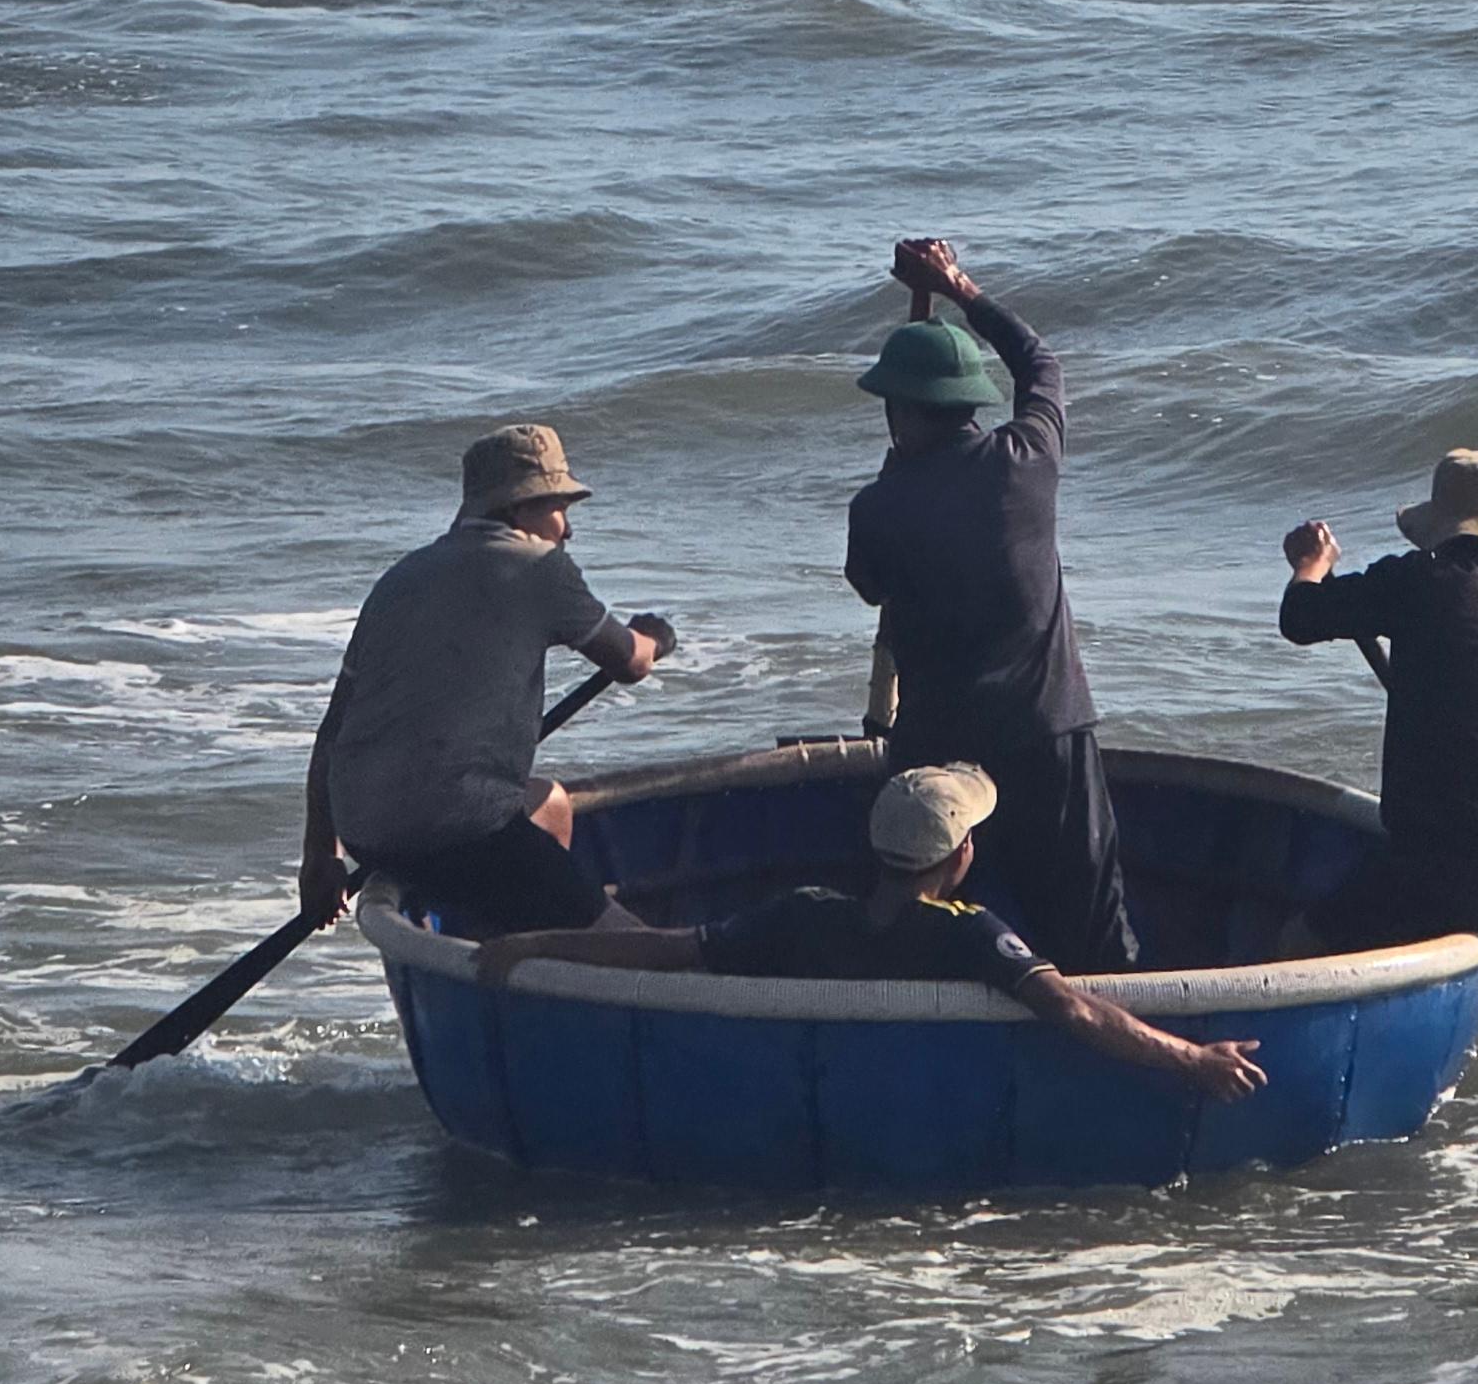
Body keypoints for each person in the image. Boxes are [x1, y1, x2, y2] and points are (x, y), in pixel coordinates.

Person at [476, 762, 1264, 1104]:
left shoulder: (805, 913)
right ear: (961, 856)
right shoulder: (969, 934)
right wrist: (1193, 1057)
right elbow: (1076, 1011)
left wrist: (538, 943)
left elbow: (664, 950)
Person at [841, 238, 1138, 971]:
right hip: (1047, 734)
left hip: (938, 743)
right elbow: (1040, 362)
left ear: (902, 414)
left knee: (911, 928)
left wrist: (895, 472)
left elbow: (871, 584)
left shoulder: (878, 508)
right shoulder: (1028, 460)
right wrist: (958, 288)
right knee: (1092, 929)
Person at [298, 423, 672, 937]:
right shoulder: (538, 567)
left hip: (366, 831)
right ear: (520, 509)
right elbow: (629, 663)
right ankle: (551, 943)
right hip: (459, 836)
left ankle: (521, 935)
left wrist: (320, 857)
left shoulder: (400, 579)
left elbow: (333, 730)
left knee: (550, 804)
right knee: (641, 948)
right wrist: (653, 637)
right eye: (558, 507)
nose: (568, 530)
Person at [1277, 447, 1478, 952]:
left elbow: (1301, 616)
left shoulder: (1420, 580)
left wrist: (1312, 563)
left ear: (1443, 525)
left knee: (1293, 945)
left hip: (1455, 872)